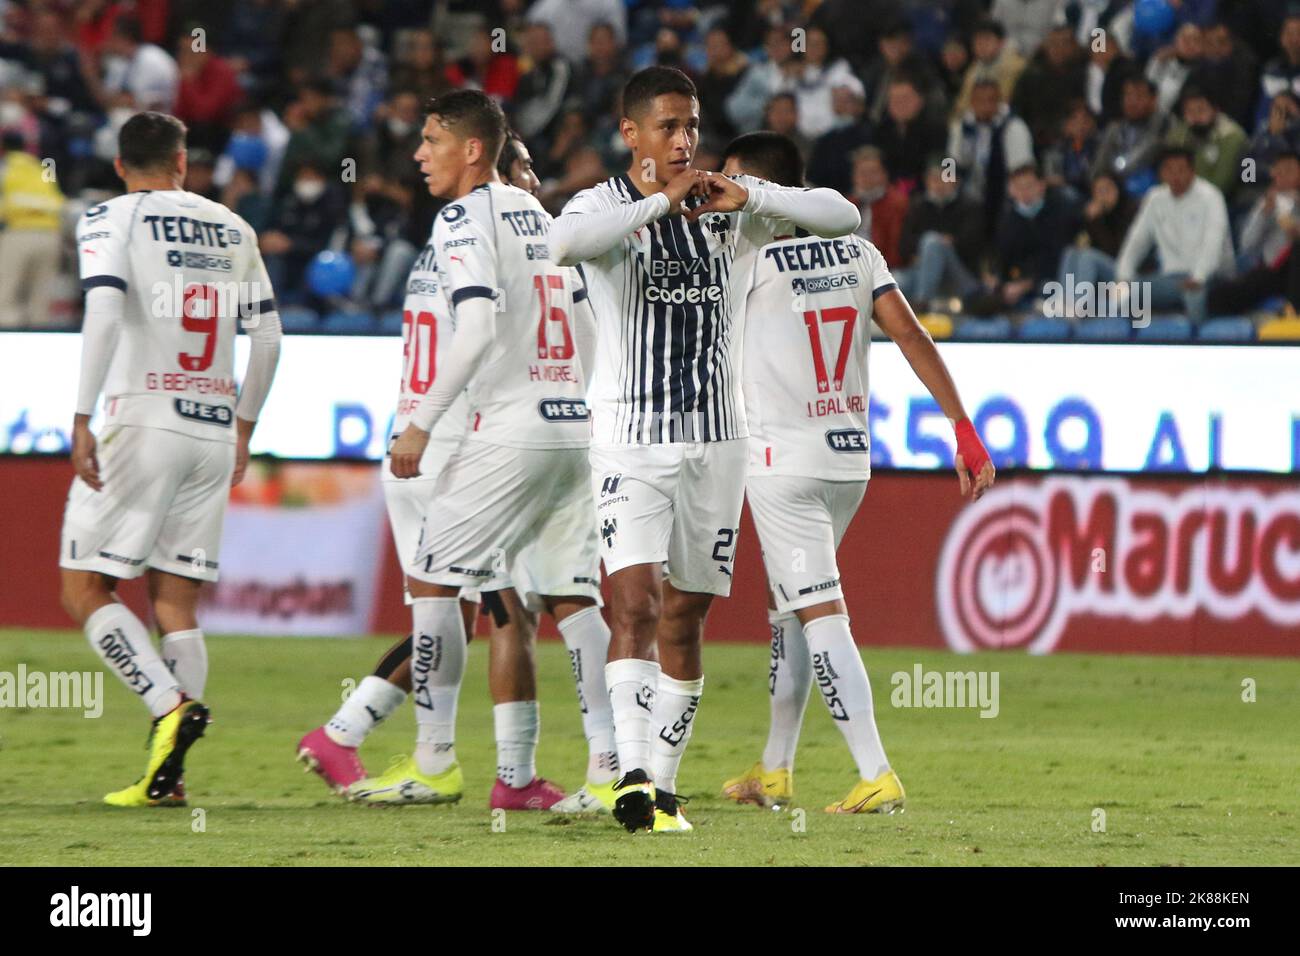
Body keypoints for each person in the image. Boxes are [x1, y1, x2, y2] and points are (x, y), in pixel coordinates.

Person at [548, 66, 860, 833]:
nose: (684, 138)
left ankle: (661, 786)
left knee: (684, 620)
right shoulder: (604, 204)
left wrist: (750, 194)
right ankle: (629, 774)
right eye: (667, 126)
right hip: (630, 441)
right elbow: (564, 242)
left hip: (720, 442)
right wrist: (661, 202)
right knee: (634, 603)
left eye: (691, 124)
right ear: (632, 134)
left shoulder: (727, 209)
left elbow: (843, 215)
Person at [297, 131, 620, 815]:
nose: (537, 179)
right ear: (498, 167)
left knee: (486, 608)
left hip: (450, 439)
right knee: (501, 608)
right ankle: (431, 754)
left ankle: (467, 763)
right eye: (527, 166)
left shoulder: (444, 247)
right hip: (464, 445)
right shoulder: (523, 244)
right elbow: (545, 343)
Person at [716, 131, 993, 813]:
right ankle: (775, 768)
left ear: (761, 190)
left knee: (817, 612)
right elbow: (911, 335)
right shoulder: (860, 252)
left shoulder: (742, 266)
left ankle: (876, 772)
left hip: (782, 464)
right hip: (847, 460)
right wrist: (963, 427)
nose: (718, 195)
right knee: (788, 613)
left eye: (729, 183)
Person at [379, 92, 608, 812]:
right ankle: (608, 768)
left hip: (509, 429)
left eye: (431, 140)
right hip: (571, 425)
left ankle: (435, 760)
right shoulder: (542, 215)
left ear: (472, 149)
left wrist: (419, 422)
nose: (419, 154)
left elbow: (474, 330)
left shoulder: (462, 218)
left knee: (433, 585)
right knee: (574, 595)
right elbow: (586, 326)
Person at [60, 111, 282, 807]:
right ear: (183, 163)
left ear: (121, 166)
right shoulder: (233, 227)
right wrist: (243, 427)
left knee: (84, 587)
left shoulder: (109, 218)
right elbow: (270, 341)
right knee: (176, 601)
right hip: (212, 430)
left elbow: (102, 312)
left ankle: (168, 705)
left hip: (140, 417)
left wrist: (80, 415)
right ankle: (169, 779)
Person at [1116, 145, 1235, 323]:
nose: (1175, 176)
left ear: (1192, 171)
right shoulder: (1155, 198)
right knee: (1124, 296)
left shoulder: (1211, 197)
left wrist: (1198, 277)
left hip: (1212, 276)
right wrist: (1123, 278)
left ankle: (1199, 342)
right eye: (1169, 170)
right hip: (1171, 279)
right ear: (1161, 173)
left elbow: (1213, 243)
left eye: (1181, 170)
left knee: (1194, 295)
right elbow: (1137, 241)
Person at [0, 129, 64, 328]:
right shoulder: (43, 167)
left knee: (6, 297)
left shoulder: (5, 166)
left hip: (18, 232)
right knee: (40, 301)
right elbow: (57, 199)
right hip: (51, 236)